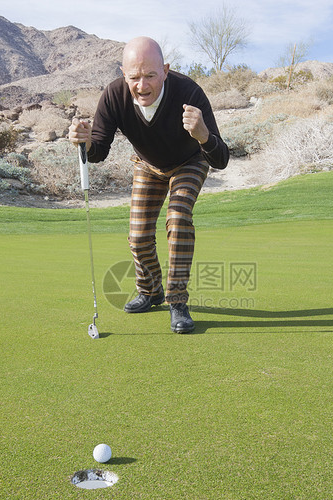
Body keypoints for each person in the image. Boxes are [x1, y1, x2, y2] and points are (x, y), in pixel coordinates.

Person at [68, 36, 229, 334]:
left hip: (189, 162)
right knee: (138, 235)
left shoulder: (189, 92)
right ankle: (151, 289)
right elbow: (98, 151)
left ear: (165, 70)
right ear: (123, 73)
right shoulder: (115, 95)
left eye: (150, 75)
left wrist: (204, 134)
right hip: (147, 165)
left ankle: (177, 301)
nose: (142, 85)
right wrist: (86, 142)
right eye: (134, 77)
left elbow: (221, 159)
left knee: (178, 218)